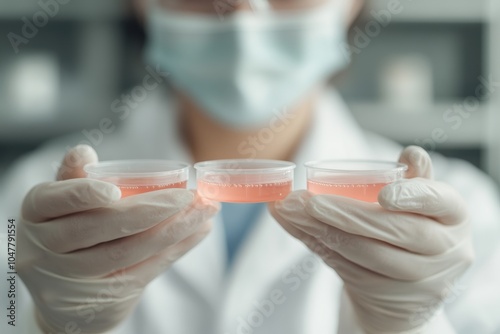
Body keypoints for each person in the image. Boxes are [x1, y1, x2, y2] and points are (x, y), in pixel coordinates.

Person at [1, 0, 500, 333]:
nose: (242, 10)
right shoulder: (25, 195)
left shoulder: (463, 209)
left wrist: (407, 324)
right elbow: (6, 308)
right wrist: (49, 325)